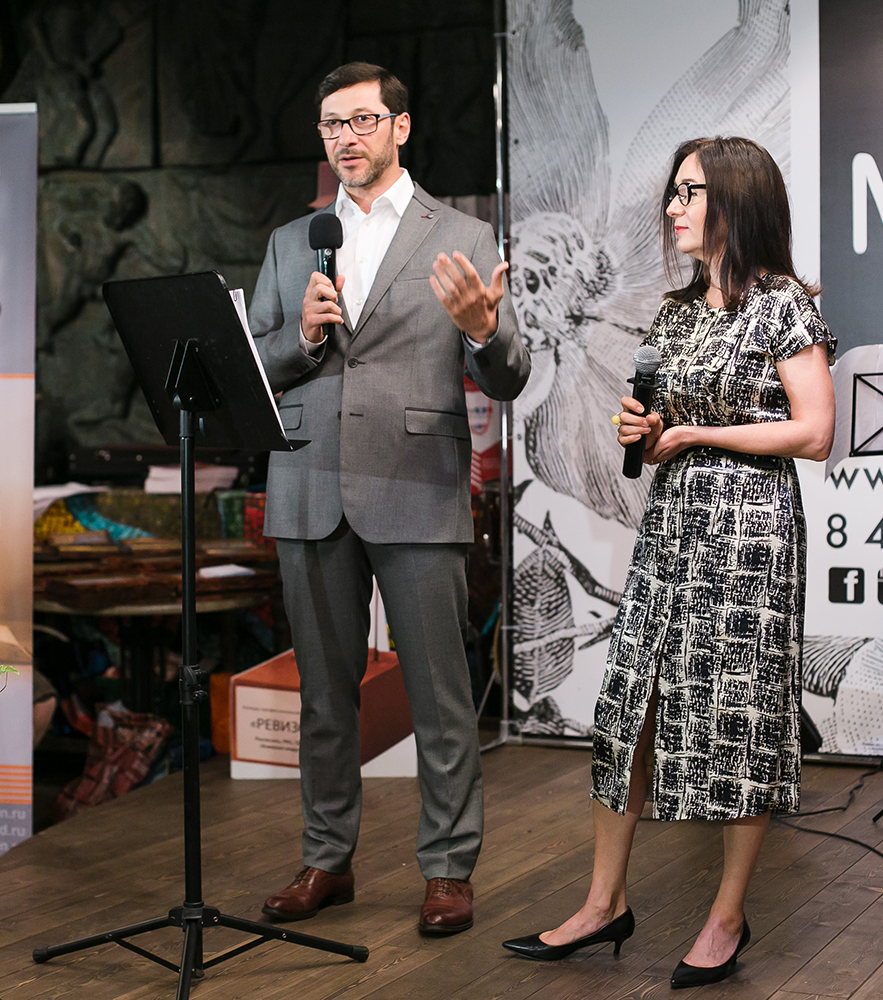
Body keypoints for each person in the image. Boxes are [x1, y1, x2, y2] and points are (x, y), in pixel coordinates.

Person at [501, 136, 835, 988]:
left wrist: (697, 434)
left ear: (737, 202)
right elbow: (657, 438)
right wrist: (648, 435)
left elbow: (814, 431)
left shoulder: (783, 305)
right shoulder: (674, 314)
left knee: (740, 717)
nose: (672, 207)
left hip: (750, 534)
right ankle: (603, 903)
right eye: (673, 192)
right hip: (672, 525)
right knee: (629, 707)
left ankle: (727, 917)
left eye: (691, 192)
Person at [248, 61, 530, 935]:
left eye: (362, 120)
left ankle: (447, 868)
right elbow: (256, 361)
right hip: (309, 484)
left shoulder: (463, 234)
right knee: (323, 697)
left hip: (416, 482)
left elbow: (510, 373)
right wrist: (301, 337)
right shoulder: (295, 241)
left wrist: (482, 331)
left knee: (439, 695)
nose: (346, 138)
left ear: (400, 127)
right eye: (332, 124)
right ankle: (326, 859)